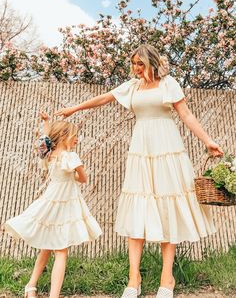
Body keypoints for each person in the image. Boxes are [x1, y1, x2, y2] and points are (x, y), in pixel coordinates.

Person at [55, 44, 223, 298]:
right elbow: (104, 98)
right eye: (133, 63)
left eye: (140, 64)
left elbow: (186, 115)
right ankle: (134, 278)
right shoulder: (132, 86)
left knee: (169, 208)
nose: (135, 68)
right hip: (141, 149)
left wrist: (208, 141)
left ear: (152, 63)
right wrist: (73, 109)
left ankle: (167, 279)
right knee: (138, 208)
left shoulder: (169, 84)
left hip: (167, 148)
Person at [4, 112, 102, 298]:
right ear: (64, 137)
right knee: (61, 251)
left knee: (47, 246)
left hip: (50, 201)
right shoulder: (71, 157)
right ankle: (53, 295)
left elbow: (46, 139)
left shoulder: (48, 154)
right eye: (74, 136)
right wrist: (74, 175)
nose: (77, 139)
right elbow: (84, 179)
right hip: (65, 205)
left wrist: (47, 123)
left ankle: (31, 286)